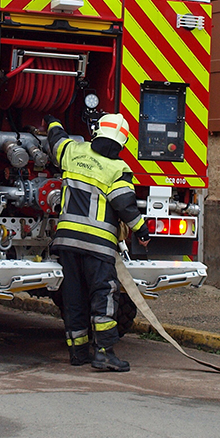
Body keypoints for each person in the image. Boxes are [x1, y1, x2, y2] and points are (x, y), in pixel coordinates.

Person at [45, 112, 150, 372]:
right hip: (98, 246)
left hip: (67, 243)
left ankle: (78, 352)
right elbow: (125, 206)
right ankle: (104, 353)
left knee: (74, 297)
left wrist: (53, 120)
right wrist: (143, 231)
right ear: (122, 142)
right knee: (103, 296)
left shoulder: (73, 152)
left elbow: (56, 140)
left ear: (96, 132)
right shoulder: (117, 169)